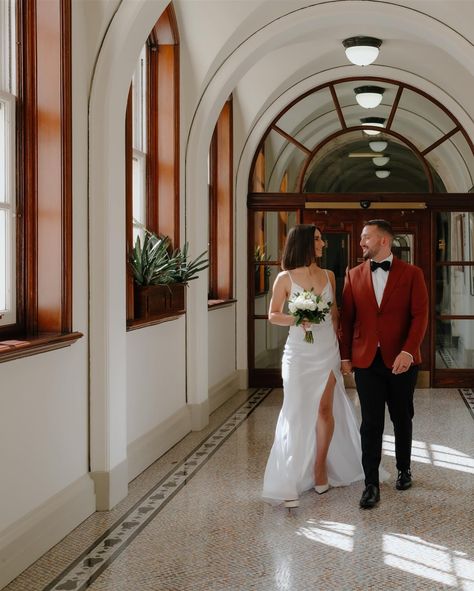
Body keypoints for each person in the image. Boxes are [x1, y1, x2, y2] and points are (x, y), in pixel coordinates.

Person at [262, 224, 364, 508]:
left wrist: (344, 353)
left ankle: (320, 467)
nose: (323, 244)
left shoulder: (329, 275)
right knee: (295, 413)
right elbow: (273, 315)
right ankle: (289, 478)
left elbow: (335, 316)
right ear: (306, 243)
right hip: (298, 353)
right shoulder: (284, 278)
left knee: (324, 409)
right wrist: (298, 319)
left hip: (326, 350)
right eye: (318, 239)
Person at [340, 219, 428, 510]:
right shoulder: (353, 276)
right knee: (371, 423)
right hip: (366, 361)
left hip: (402, 360)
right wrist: (345, 356)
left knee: (402, 416)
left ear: (383, 241)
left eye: (366, 237)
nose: (362, 242)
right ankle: (371, 485)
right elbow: (347, 320)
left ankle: (404, 469)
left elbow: (420, 316)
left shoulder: (412, 274)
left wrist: (408, 351)